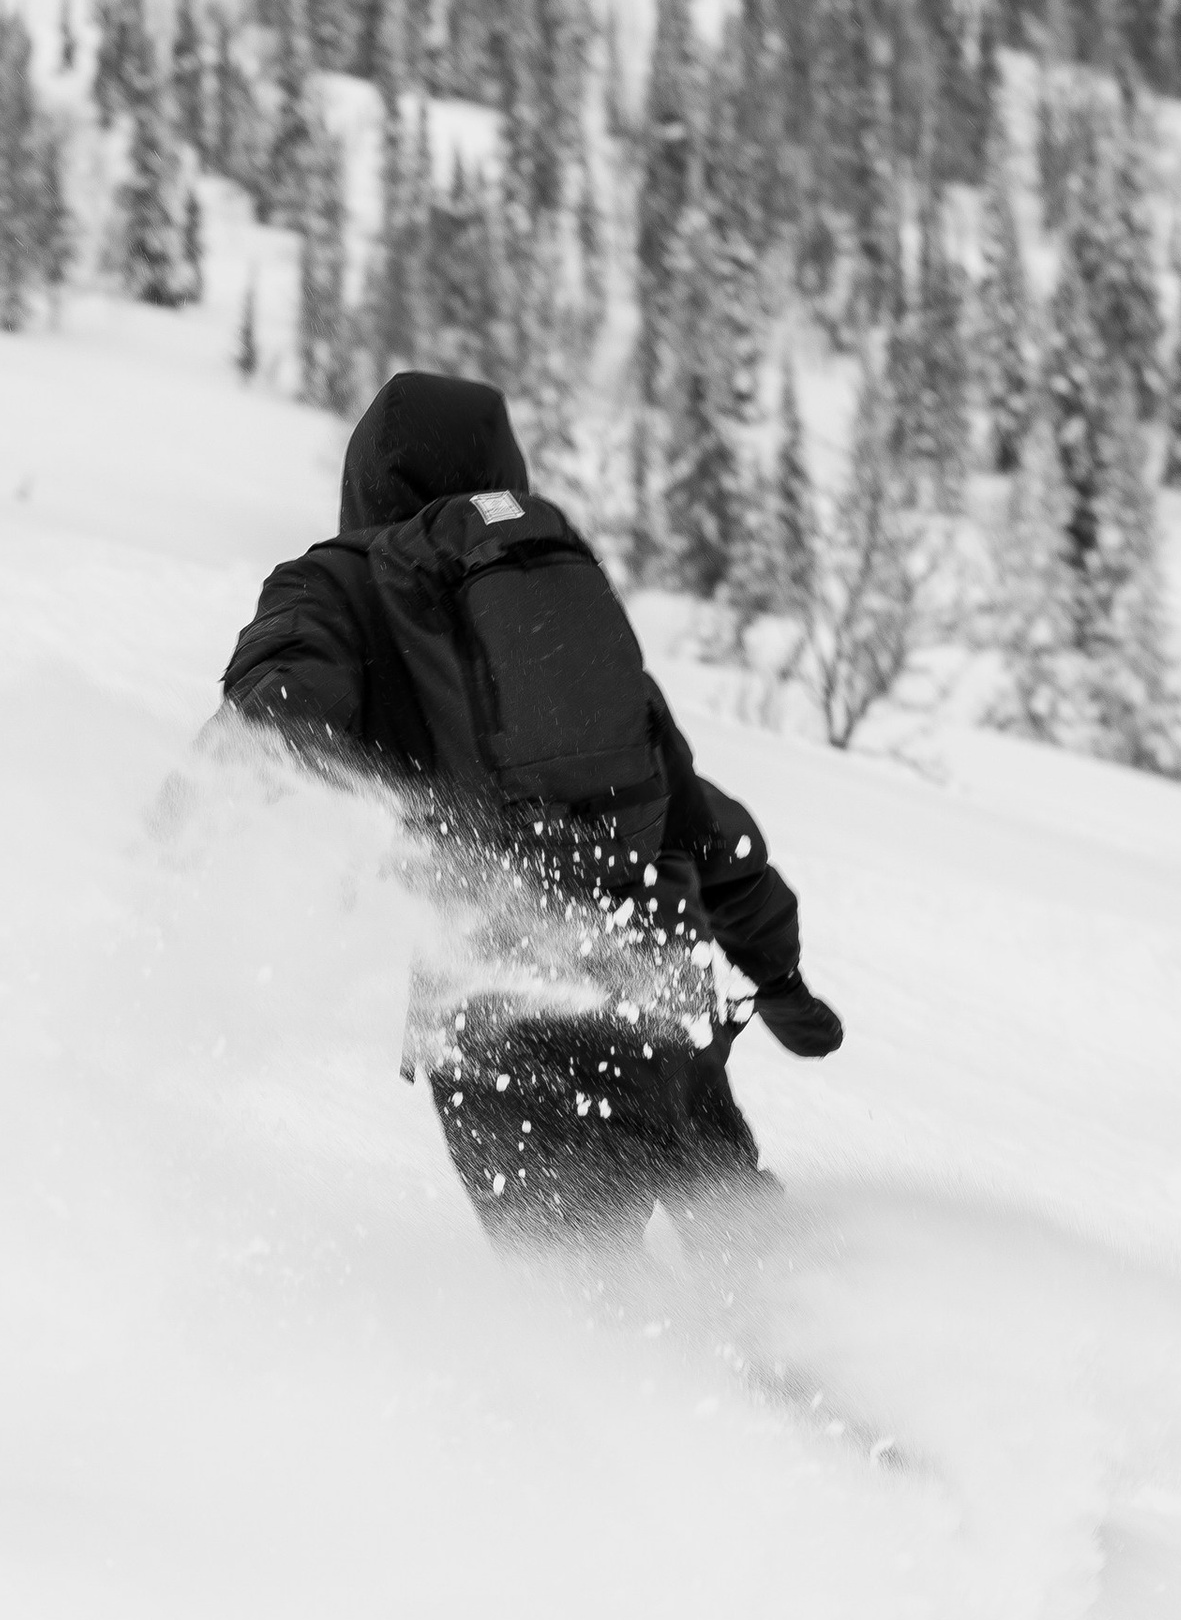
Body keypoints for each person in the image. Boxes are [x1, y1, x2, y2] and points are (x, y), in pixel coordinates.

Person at [219, 369, 843, 1238]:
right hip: (654, 981)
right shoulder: (550, 594)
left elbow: (268, 727)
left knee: (589, 1312)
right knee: (748, 1263)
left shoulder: (344, 585)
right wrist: (778, 976)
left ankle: (634, 1370)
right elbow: (698, 816)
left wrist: (154, 858)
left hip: (504, 1006)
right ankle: (853, 1357)